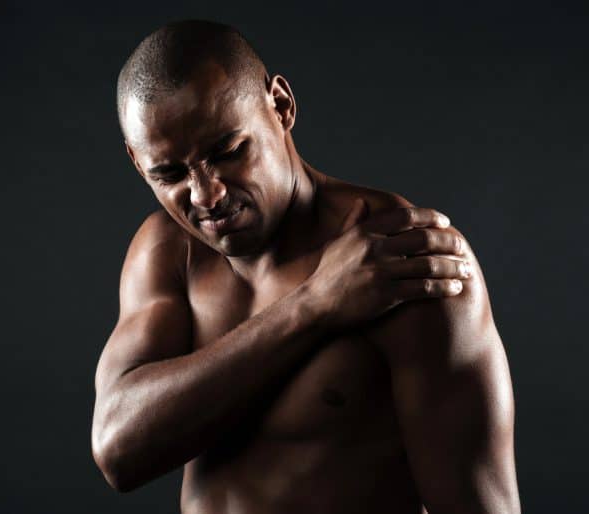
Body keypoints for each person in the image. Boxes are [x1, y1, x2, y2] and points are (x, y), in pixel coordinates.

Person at [90, 19, 520, 514]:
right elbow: (118, 450)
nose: (206, 195)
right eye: (169, 174)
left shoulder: (403, 259)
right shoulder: (168, 252)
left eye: (228, 152)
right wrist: (313, 306)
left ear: (281, 106)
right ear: (137, 162)